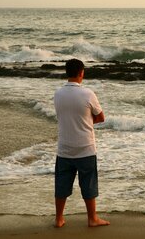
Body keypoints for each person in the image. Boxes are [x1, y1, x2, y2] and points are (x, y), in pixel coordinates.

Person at [53, 58, 110, 228]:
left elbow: (62, 116)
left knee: (62, 184)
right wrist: (85, 121)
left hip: (64, 147)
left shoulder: (58, 94)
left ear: (66, 72)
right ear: (81, 73)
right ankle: (92, 218)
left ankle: (59, 219)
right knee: (88, 183)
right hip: (85, 147)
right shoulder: (87, 94)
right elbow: (100, 117)